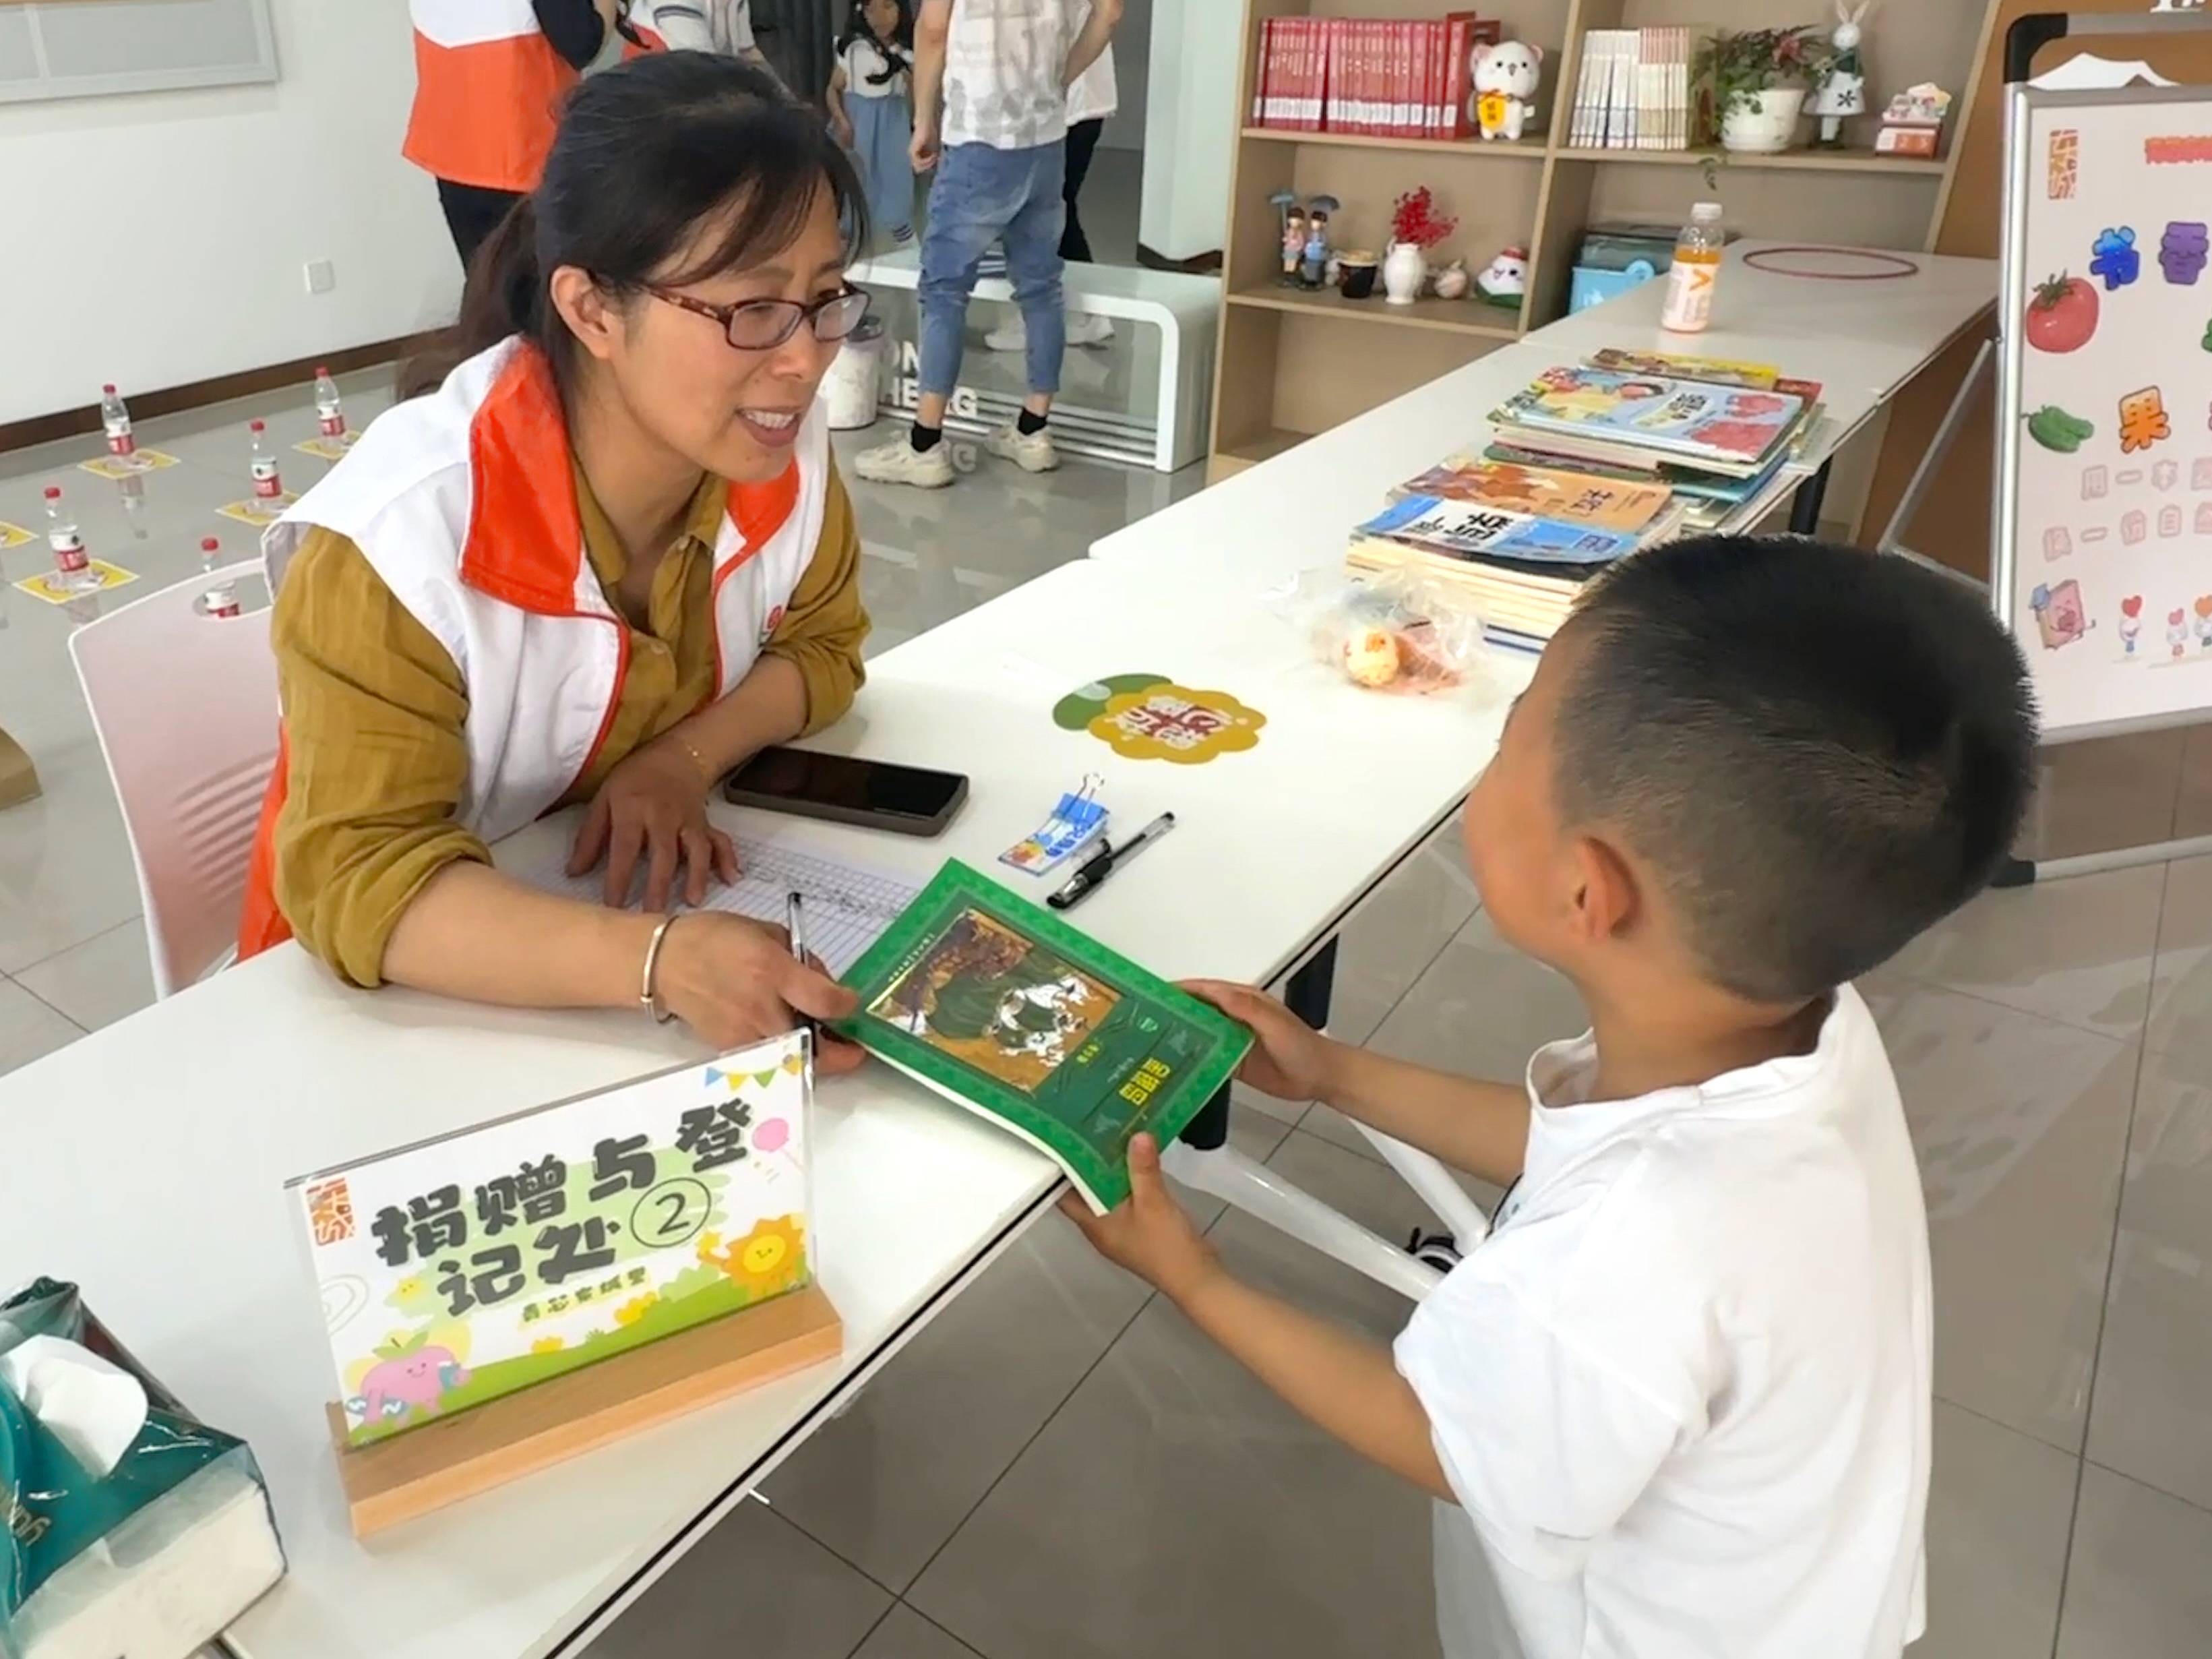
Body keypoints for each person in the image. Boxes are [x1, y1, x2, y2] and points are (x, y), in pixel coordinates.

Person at [1065, 537, 2039, 1658]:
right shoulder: (1800, 1032)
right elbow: (1576, 1147)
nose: (1482, 770)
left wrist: (1190, 1273)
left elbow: (1438, 1434)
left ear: (1585, 890)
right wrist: (1333, 1074)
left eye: (1505, 743)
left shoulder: (1627, 1253)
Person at [239, 54, 876, 1058]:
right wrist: (663, 962)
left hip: (593, 953)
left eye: (826, 297)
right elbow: (362, 877)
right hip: (374, 1018)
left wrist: (681, 760)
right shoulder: (404, 540)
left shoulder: (771, 449)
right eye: (751, 310)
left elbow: (827, 647)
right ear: (591, 311)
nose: (804, 360)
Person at [853, 0, 1123, 489]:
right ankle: (1033, 430)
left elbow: (934, 29)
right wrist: (1059, 79)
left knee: (944, 290)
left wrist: (924, 119)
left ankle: (925, 444)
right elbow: (1110, 13)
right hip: (1046, 138)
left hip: (979, 135)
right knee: (1041, 287)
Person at [404, 0, 623, 267]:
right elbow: (582, 41)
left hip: (454, 147)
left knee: (488, 283)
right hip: (527, 149)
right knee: (548, 286)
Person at [986, 0, 1114, 353]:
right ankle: (1079, 312)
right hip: (1067, 101)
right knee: (1053, 208)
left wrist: (1058, 79)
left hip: (1063, 103)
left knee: (1043, 209)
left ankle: (1057, 314)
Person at [827, 0, 917, 249]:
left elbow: (916, 95)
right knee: (856, 177)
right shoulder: (853, 47)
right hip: (859, 121)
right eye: (871, 9)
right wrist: (841, 120)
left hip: (892, 123)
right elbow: (833, 89)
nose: (879, 16)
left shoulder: (907, 52)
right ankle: (846, 236)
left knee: (895, 176)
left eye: (888, 7)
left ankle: (903, 233)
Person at [642, 0, 777, 78]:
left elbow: (749, 54)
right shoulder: (674, 2)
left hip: (707, 83)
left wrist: (785, 98)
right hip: (662, 99)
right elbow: (706, 73)